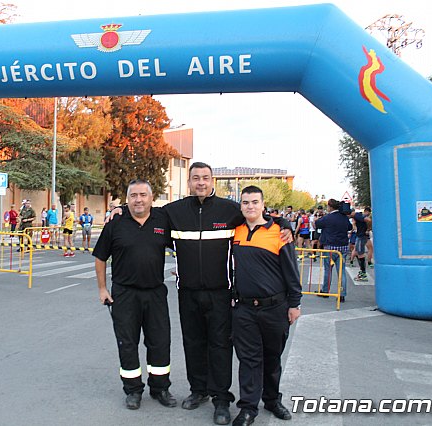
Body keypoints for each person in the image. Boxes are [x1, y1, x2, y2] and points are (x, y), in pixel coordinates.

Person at [108, 162, 292, 425]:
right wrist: (119, 209)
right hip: (188, 293)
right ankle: (198, 391)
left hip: (221, 293)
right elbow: (143, 208)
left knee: (220, 346)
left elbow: (258, 217)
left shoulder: (230, 210)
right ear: (190, 183)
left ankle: (221, 399)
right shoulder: (174, 211)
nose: (201, 182)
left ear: (212, 180)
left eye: (205, 178)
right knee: (193, 344)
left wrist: (284, 222)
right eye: (196, 178)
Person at [93, 179, 177, 411]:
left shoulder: (163, 220)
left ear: (151, 198)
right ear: (127, 199)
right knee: (127, 343)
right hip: (124, 294)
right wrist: (102, 289)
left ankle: (160, 388)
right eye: (133, 195)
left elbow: (185, 242)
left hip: (155, 293)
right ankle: (132, 390)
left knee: (160, 342)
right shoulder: (116, 222)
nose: (138, 199)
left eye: (143, 195)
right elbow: (100, 257)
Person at [231, 186, 302, 426]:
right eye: (245, 202)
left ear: (263, 205)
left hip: (275, 308)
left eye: (254, 202)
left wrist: (295, 303)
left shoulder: (279, 233)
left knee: (272, 358)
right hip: (244, 309)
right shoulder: (235, 231)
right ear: (240, 206)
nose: (250, 206)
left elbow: (291, 270)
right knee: (249, 360)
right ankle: (248, 408)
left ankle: (272, 400)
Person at [315, 199, 352, 302]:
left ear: (330, 207)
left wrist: (319, 216)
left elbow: (317, 224)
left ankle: (325, 291)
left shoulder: (327, 218)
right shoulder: (344, 217)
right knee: (341, 271)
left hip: (330, 248)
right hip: (343, 248)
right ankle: (342, 294)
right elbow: (350, 227)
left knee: (328, 270)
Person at [349, 207, 372, 282]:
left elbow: (369, 220)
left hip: (361, 236)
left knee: (360, 254)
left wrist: (368, 229)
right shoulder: (358, 216)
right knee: (358, 252)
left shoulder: (357, 216)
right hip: (360, 236)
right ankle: (362, 272)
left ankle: (363, 273)